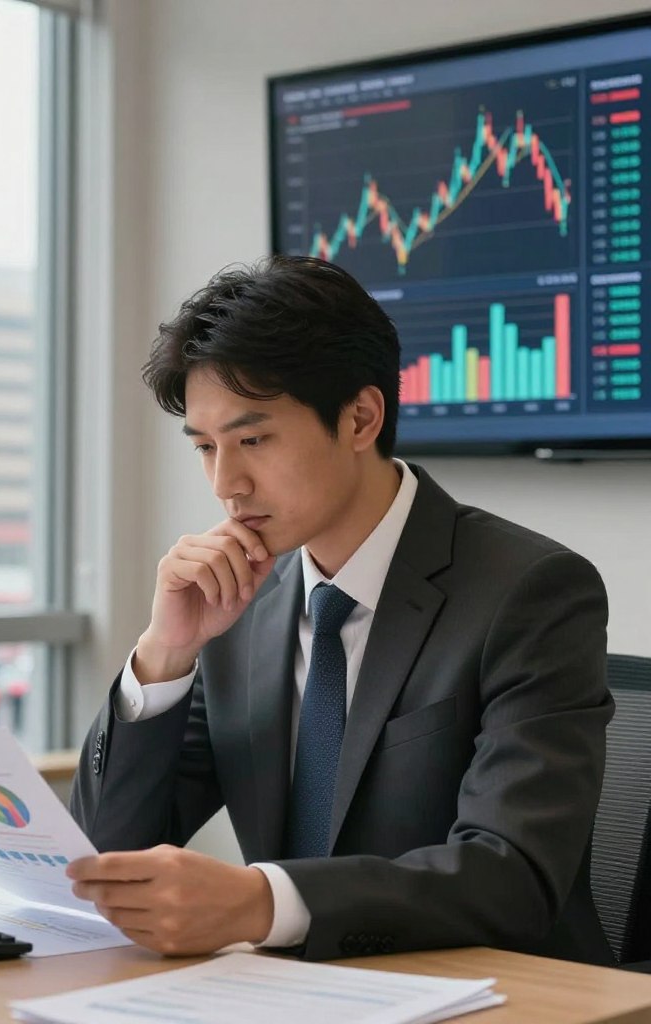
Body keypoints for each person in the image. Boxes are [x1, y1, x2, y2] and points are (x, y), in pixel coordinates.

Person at [67, 255, 614, 965]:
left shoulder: (532, 591)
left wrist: (263, 902)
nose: (226, 484)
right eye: (206, 447)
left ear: (360, 418)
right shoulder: (237, 604)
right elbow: (104, 854)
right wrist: (165, 655)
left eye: (253, 440)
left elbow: (512, 876)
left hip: (499, 997)